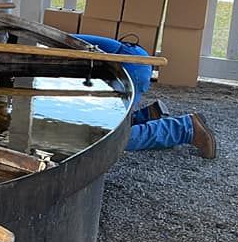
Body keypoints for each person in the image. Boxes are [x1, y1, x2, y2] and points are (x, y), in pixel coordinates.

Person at [75, 34, 217, 159]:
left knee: (100, 139)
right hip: (129, 62)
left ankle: (183, 129)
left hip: (126, 65)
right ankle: (143, 117)